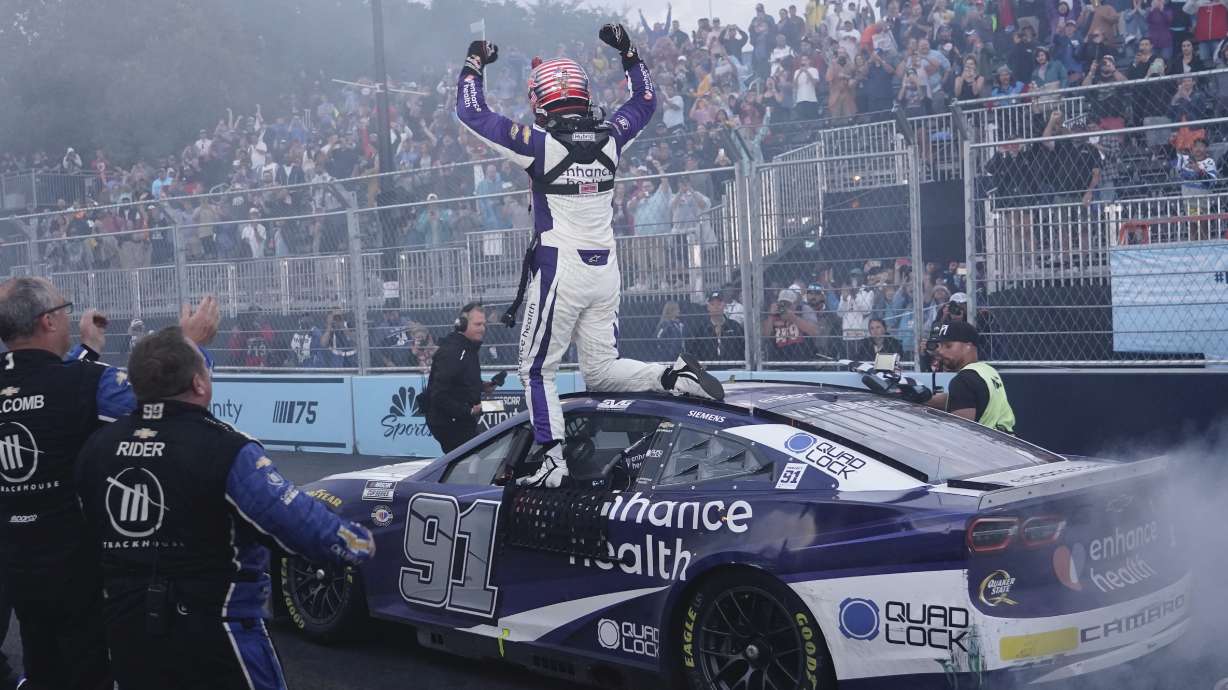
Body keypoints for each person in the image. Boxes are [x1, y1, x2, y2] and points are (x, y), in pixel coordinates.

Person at [455, 25, 723, 488]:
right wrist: (630, 53)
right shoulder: (612, 137)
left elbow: (470, 113)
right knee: (600, 369)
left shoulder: (537, 144)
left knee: (536, 370)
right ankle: (674, 377)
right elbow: (645, 102)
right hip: (606, 268)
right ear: (582, 93)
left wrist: (474, 61)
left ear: (541, 99)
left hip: (562, 268)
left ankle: (551, 461)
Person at [75, 326, 375, 689]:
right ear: (200, 384)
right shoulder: (226, 448)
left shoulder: (96, 447)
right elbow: (297, 524)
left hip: (126, 628)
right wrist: (359, 542)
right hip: (214, 628)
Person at [0, 276, 219, 690]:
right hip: (81, 566)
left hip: (14, 563)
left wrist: (89, 349)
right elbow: (168, 408)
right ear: (48, 321)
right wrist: (190, 347)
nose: (68, 317)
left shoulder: (77, 376)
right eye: (63, 310)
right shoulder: (91, 383)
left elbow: (41, 387)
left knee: (44, 666)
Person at [425, 303, 501, 453]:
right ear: (462, 325)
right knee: (470, 460)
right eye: (478, 324)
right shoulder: (453, 351)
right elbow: (438, 394)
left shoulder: (468, 348)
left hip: (462, 418)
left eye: (484, 324)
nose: (482, 328)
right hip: (448, 421)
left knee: (475, 458)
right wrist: (469, 411)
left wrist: (482, 386)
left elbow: (461, 380)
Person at [923, 321, 1016, 432]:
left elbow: (960, 434)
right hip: (1006, 442)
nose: (941, 351)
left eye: (948, 346)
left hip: (983, 446)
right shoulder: (988, 371)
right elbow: (963, 398)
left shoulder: (963, 381)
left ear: (968, 346)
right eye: (940, 346)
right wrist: (921, 398)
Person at [688, 292, 746, 363]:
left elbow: (743, 347)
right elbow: (694, 351)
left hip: (733, 369)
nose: (716, 307)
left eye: (719, 304)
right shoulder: (701, 329)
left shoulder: (735, 326)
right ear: (708, 307)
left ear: (724, 305)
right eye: (712, 304)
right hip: (709, 369)